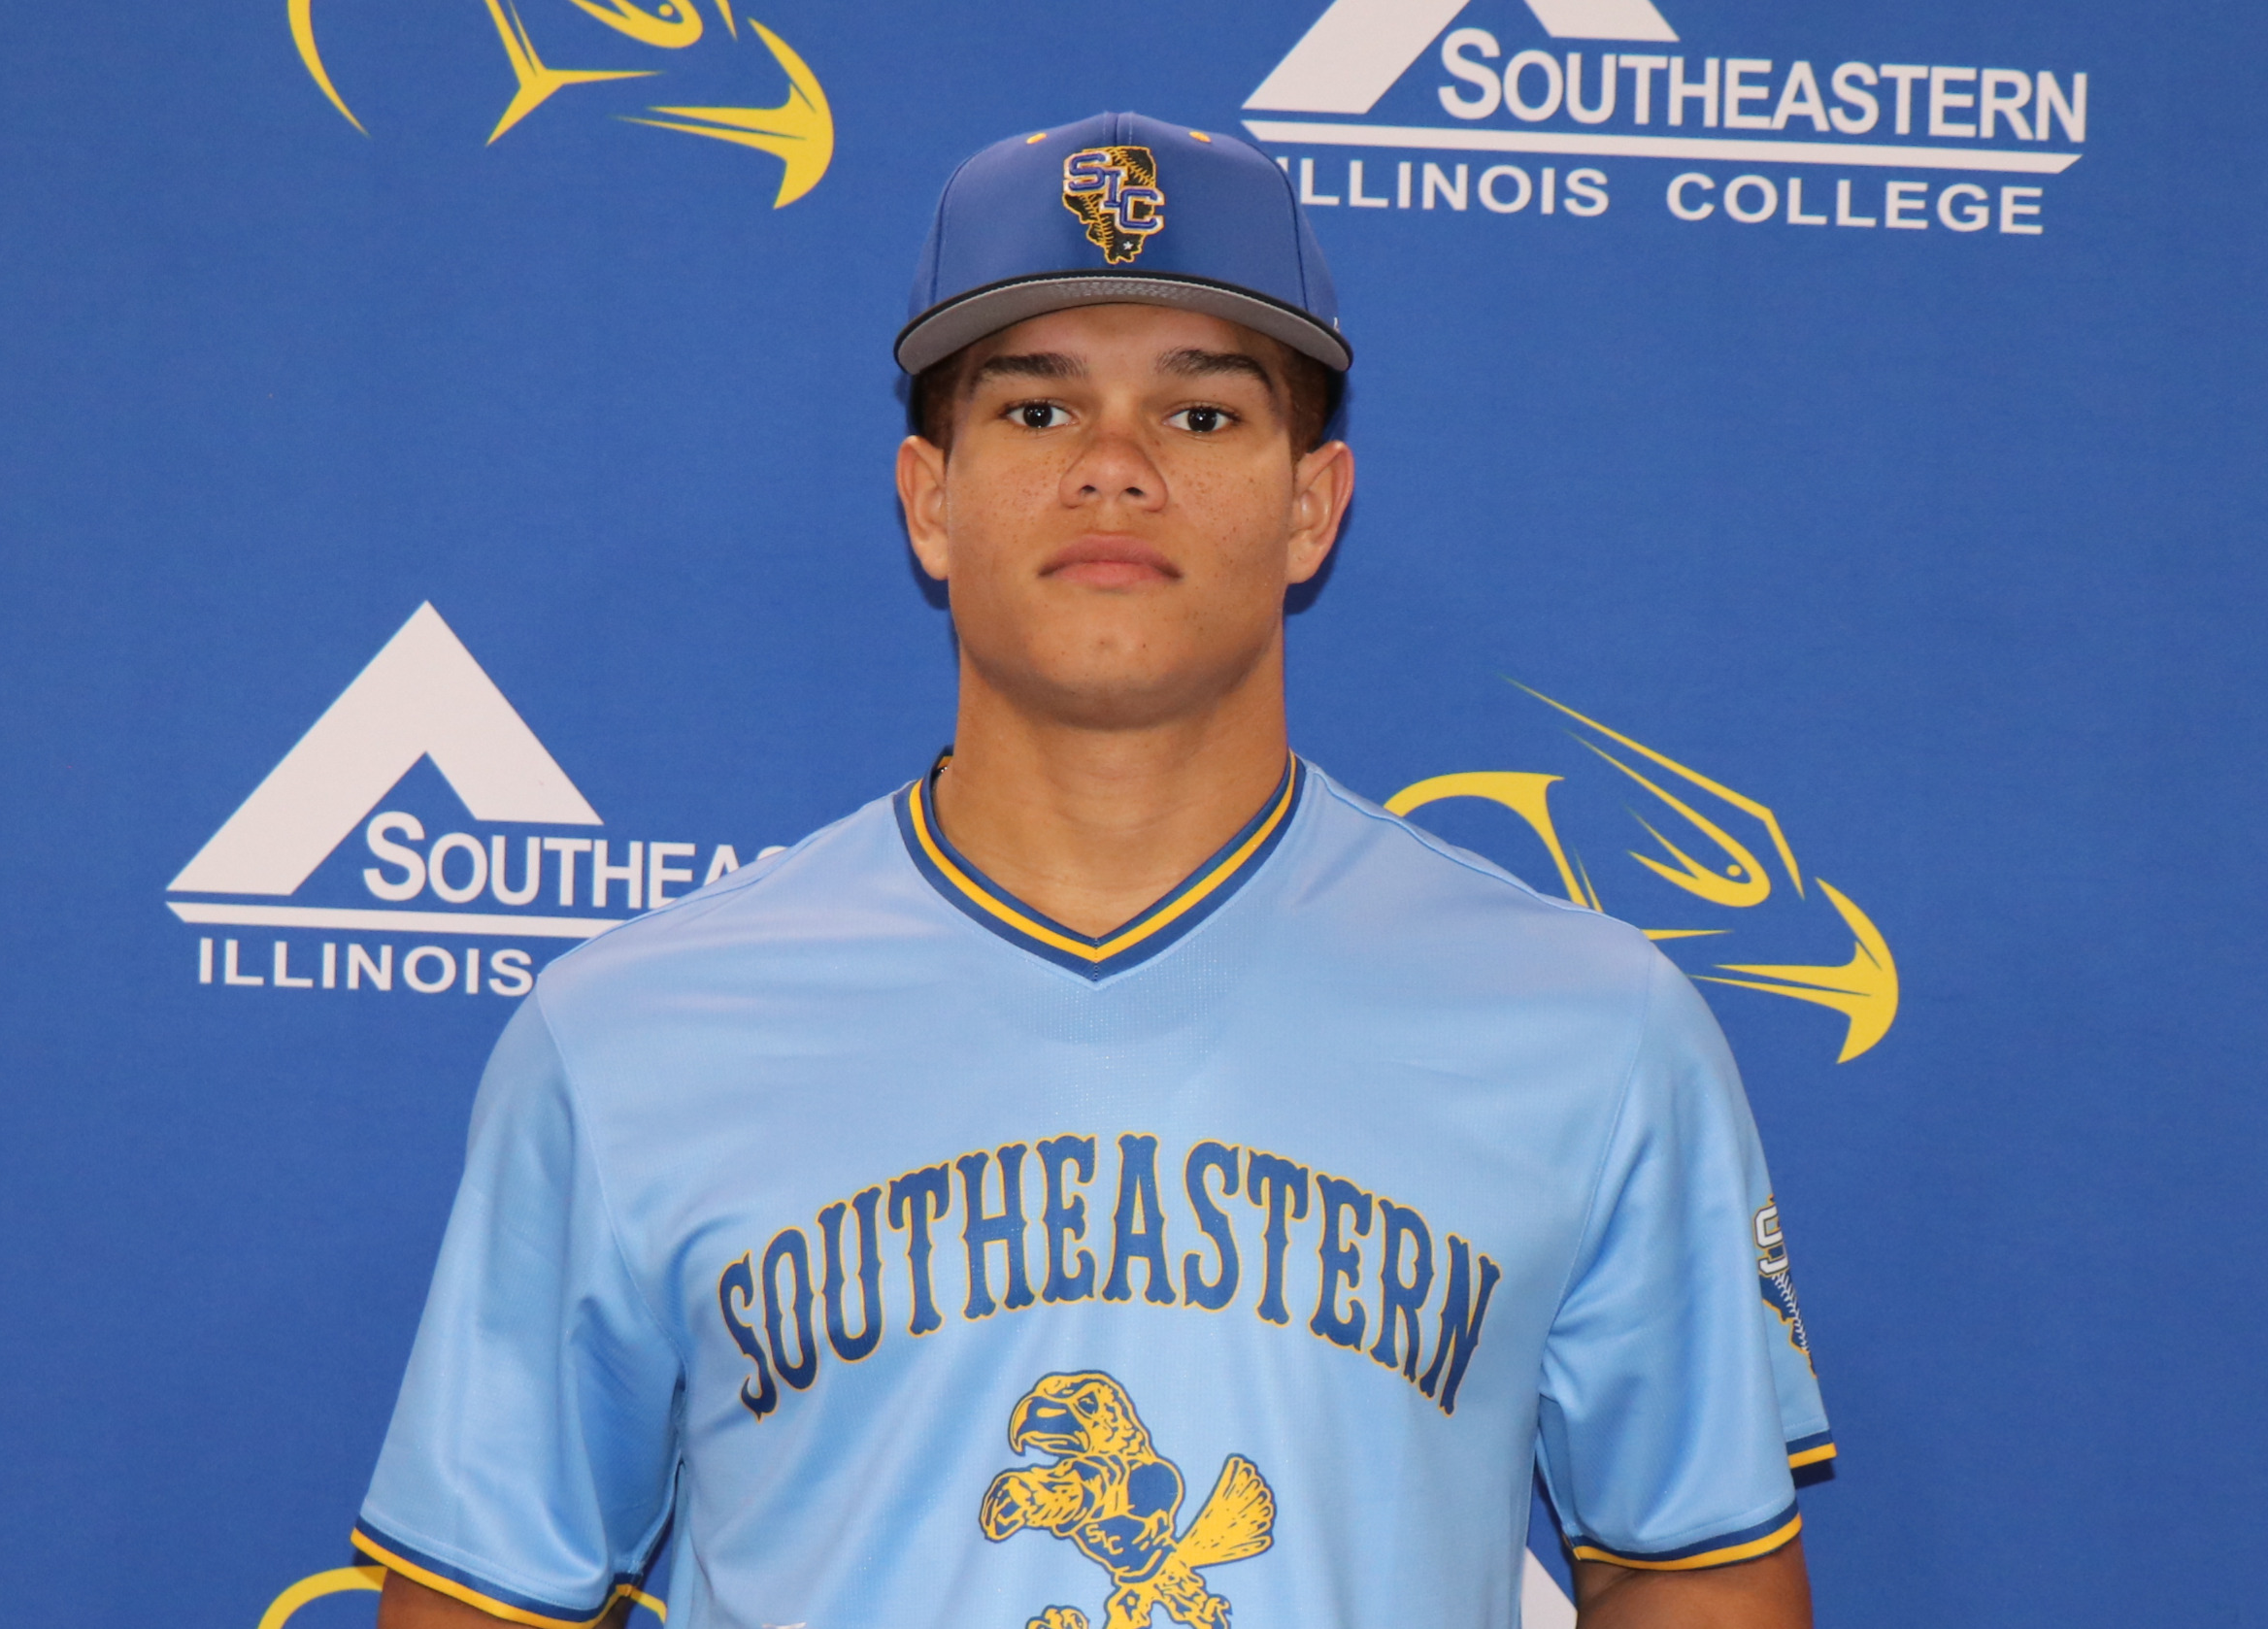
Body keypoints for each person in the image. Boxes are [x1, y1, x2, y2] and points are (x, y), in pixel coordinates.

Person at [359, 112, 1828, 1629]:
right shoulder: (633, 1034)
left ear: (1311, 504)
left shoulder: (1583, 1023)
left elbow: (1691, 1567)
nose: (1114, 468)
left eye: (1199, 415)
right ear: (929, 499)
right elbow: (483, 1600)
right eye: (1037, 409)